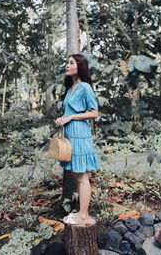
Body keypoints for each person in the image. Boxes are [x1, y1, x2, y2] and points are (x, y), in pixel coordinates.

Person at [55, 54, 100, 225]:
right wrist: (62, 119)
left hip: (80, 134)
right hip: (70, 134)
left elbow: (94, 113)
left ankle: (83, 215)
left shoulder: (85, 87)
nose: (67, 65)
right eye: (67, 62)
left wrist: (71, 117)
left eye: (71, 63)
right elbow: (68, 113)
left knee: (81, 176)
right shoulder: (71, 87)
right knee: (75, 173)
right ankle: (82, 212)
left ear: (80, 66)